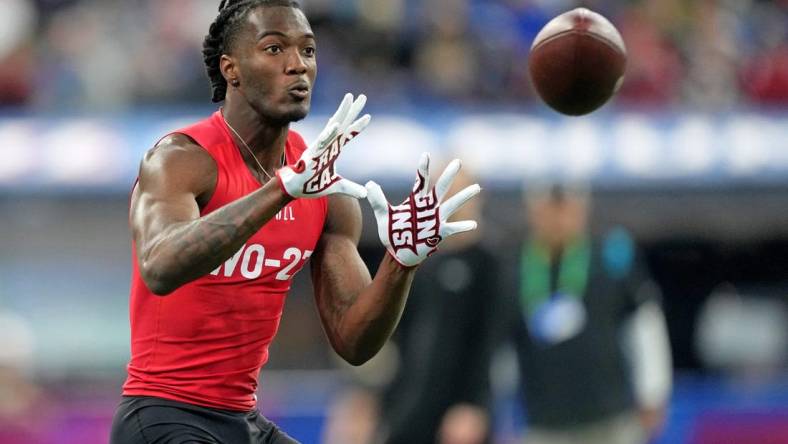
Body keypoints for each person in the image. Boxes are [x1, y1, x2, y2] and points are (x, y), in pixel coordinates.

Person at [109, 1, 481, 443]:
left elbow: (355, 342)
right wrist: (281, 189)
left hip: (240, 418)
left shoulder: (323, 189)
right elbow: (160, 266)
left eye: (308, 51)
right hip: (163, 413)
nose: (296, 65)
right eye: (273, 49)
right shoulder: (181, 160)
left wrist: (400, 264)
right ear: (232, 69)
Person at [505, 184, 672, 444]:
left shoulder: (609, 256)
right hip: (544, 421)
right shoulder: (515, 266)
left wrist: (653, 391)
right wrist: (502, 411)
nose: (558, 219)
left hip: (610, 416)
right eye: (550, 209)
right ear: (533, 211)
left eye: (566, 209)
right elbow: (503, 344)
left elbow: (645, 321)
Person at [376, 167, 499, 444]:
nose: (450, 199)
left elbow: (490, 341)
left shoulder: (489, 263)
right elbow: (400, 338)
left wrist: (474, 404)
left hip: (460, 412)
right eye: (443, 191)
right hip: (410, 406)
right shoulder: (418, 263)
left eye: (459, 190)